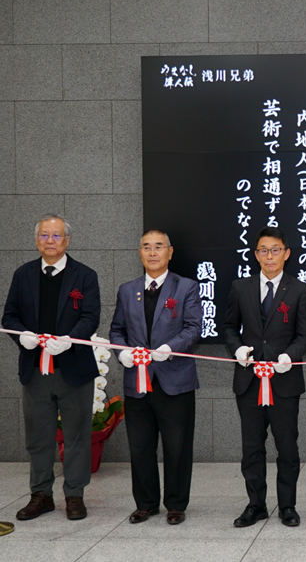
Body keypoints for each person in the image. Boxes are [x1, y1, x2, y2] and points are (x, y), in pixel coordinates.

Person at [2, 214, 100, 521]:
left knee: (76, 438)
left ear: (67, 240)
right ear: (36, 240)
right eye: (44, 235)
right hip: (35, 372)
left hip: (74, 372)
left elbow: (90, 317)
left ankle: (74, 495)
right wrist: (24, 337)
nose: (50, 241)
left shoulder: (84, 275)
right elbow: (10, 317)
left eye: (56, 236)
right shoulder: (23, 274)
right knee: (38, 438)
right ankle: (41, 495)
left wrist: (70, 340)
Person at [223, 226, 306, 528]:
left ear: (286, 254)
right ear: (255, 254)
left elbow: (305, 335)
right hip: (249, 381)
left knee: (287, 447)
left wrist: (290, 355)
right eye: (263, 250)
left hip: (284, 382)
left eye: (275, 250)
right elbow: (228, 327)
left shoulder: (300, 290)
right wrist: (237, 350)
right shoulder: (240, 287)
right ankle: (256, 504)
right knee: (252, 447)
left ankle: (287, 505)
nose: (269, 256)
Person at [109, 229, 202, 525]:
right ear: (139, 253)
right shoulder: (127, 289)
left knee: (177, 446)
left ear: (170, 252)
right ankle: (145, 504)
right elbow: (117, 330)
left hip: (175, 381)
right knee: (140, 446)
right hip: (137, 383)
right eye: (146, 247)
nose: (152, 252)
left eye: (158, 247)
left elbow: (193, 328)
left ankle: (176, 503)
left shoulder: (186, 287)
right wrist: (121, 352)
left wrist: (168, 348)